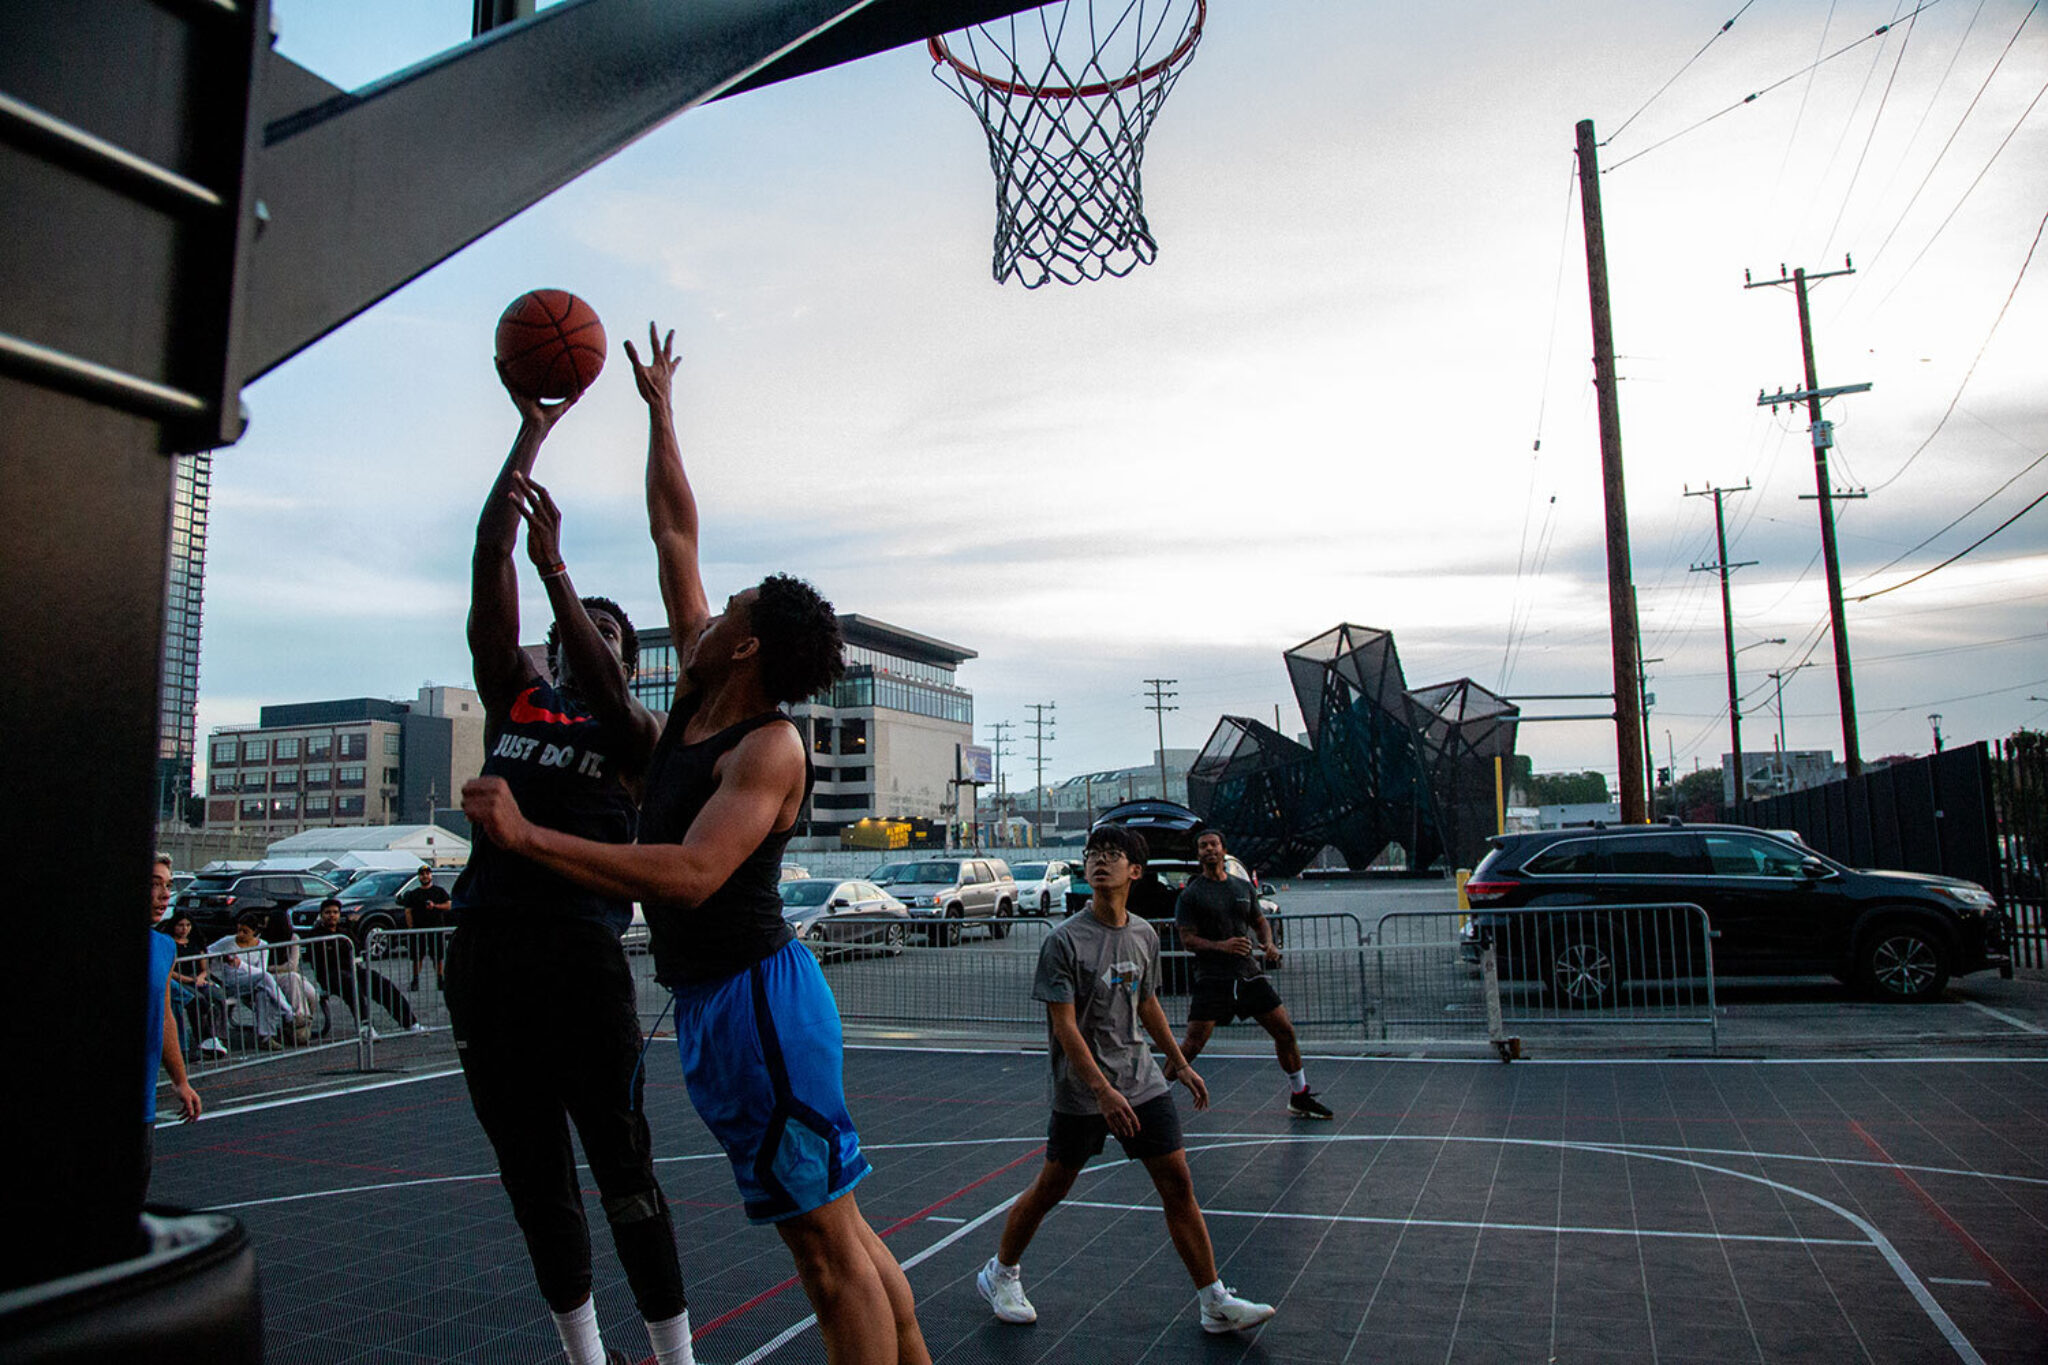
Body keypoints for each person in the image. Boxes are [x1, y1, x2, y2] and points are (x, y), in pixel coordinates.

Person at [463, 325, 926, 1365]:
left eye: (731, 608)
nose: (708, 608)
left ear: (747, 642)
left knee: (822, 1254)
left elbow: (690, 873)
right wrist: (658, 406)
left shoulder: (765, 747)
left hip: (759, 1004)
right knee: (840, 1231)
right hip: (726, 1009)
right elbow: (676, 529)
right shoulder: (700, 698)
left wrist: (525, 832)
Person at [445, 354, 692, 1365]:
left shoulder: (639, 735)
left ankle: (674, 1355)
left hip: (581, 963)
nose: (583, 631)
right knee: (530, 1173)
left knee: (623, 1166)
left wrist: (563, 576)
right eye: (570, 628)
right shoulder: (517, 694)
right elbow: (483, 555)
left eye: (605, 628)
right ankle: (583, 1353)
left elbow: (596, 660)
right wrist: (532, 433)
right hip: (485, 958)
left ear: (628, 661)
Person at [974, 824, 1276, 1336]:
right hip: (1084, 1087)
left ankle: (1213, 1300)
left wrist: (1178, 1062)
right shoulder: (1064, 940)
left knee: (1178, 1183)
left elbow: (1147, 1002)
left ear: (1134, 871)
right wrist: (1100, 1090)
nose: (1099, 861)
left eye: (1112, 854)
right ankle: (1000, 1272)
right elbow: (1064, 1026)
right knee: (1052, 1187)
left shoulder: (1143, 934)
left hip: (1141, 1078)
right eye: (1093, 853)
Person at [1173, 827, 1331, 1120]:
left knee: (1285, 1032)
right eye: (1203, 846)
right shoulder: (1192, 894)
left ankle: (1300, 1095)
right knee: (1192, 1046)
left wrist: (1269, 944)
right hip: (1213, 978)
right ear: (1198, 854)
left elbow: (1260, 922)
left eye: (1213, 845)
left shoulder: (1242, 887)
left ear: (1223, 850)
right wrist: (1223, 946)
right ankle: (1149, 1098)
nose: (1209, 850)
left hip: (1248, 974)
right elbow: (1188, 940)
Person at [146, 856, 202, 1199]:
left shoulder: (164, 947)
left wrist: (180, 1080)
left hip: (143, 1099)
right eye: (154, 883)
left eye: (168, 885)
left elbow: (164, 1015)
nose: (164, 894)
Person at [308, 898, 424, 1038]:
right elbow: (318, 959)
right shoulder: (314, 935)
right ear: (321, 915)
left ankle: (411, 1023)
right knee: (352, 987)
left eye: (335, 912)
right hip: (330, 975)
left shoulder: (345, 932)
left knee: (383, 984)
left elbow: (357, 949)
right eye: (328, 912)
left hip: (353, 970)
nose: (332, 915)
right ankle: (365, 1027)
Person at [206, 911, 307, 1052]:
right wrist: (212, 970)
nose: (241, 934)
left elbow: (261, 970)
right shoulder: (228, 942)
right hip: (233, 982)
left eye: (245, 931)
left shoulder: (262, 945)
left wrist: (240, 965)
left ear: (254, 932)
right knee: (265, 979)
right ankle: (289, 1013)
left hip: (254, 980)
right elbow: (207, 951)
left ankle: (266, 1037)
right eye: (239, 930)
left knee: (264, 992)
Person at [162, 910, 229, 1061]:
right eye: (180, 925)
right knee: (196, 999)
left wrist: (200, 977)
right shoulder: (169, 943)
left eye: (187, 925)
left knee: (218, 997)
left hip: (198, 978)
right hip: (181, 980)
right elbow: (170, 971)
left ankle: (218, 1036)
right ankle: (202, 1039)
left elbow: (204, 967)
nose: (184, 929)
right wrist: (189, 980)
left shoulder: (195, 941)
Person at [397, 864, 453, 991]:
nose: (425, 876)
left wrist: (435, 906)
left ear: (431, 875)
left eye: (427, 874)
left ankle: (440, 979)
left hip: (436, 929)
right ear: (419, 877)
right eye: (422, 874)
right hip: (419, 930)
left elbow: (449, 905)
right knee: (417, 956)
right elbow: (408, 911)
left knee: (437, 956)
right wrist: (411, 928)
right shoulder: (414, 894)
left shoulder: (439, 892)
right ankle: (415, 980)